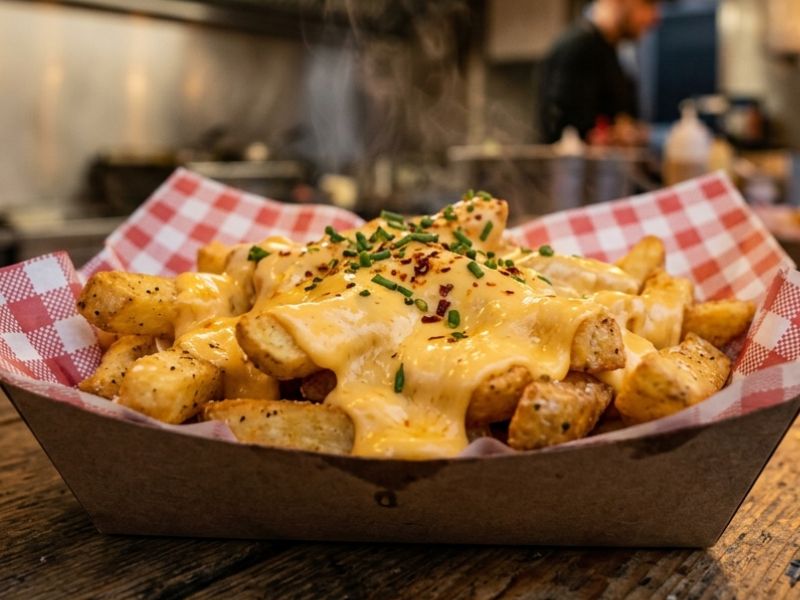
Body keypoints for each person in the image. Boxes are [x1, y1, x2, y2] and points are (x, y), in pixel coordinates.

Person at [538, 0, 664, 145]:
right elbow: (562, 135)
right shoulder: (578, 48)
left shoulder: (614, 51)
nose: (656, 17)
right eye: (648, 3)